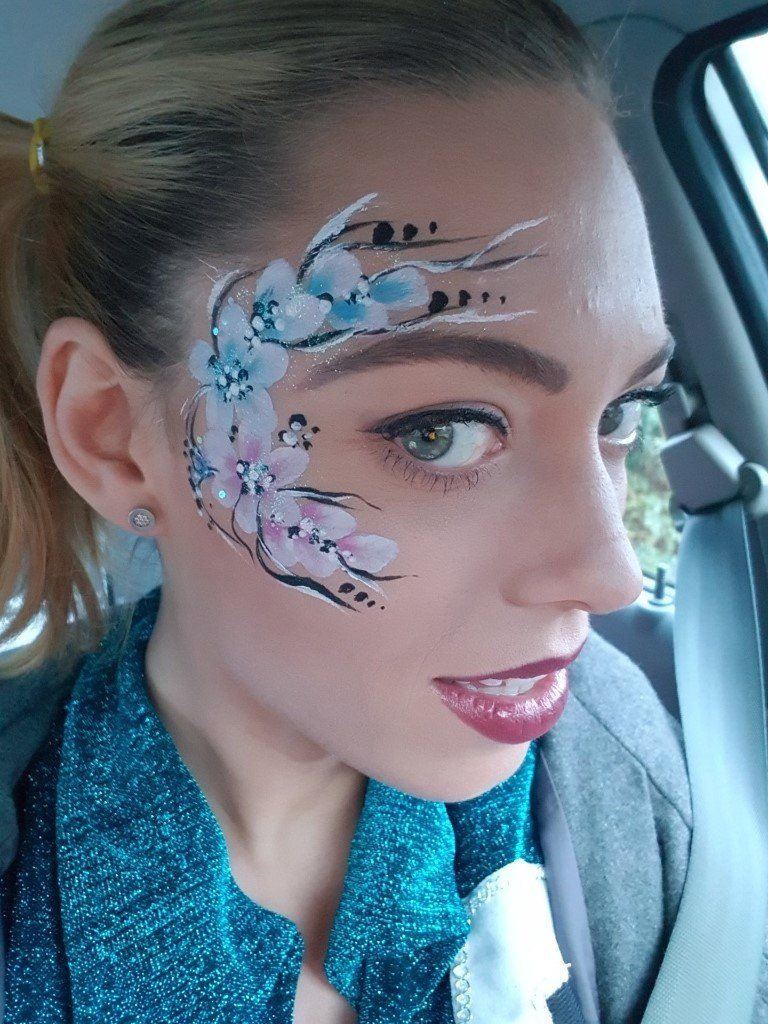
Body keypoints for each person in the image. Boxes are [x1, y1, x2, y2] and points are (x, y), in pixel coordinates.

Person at [0, 1, 760, 1022]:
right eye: (439, 432)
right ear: (110, 434)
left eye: (621, 413)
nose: (610, 573)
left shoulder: (613, 778)